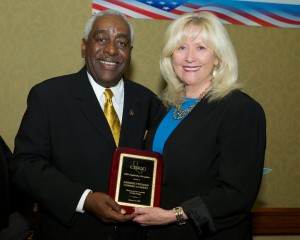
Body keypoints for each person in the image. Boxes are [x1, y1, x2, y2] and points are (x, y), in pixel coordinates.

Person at [11, 10, 160, 240]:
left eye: (122, 42)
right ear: (83, 46)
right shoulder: (49, 96)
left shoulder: (149, 102)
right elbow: (25, 165)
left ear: (130, 52)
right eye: (101, 39)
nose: (111, 49)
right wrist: (84, 199)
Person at [133, 11, 266, 240]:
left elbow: (237, 195)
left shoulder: (239, 109)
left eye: (201, 48)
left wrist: (173, 215)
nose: (189, 57)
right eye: (181, 47)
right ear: (170, 55)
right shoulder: (166, 107)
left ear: (218, 57)